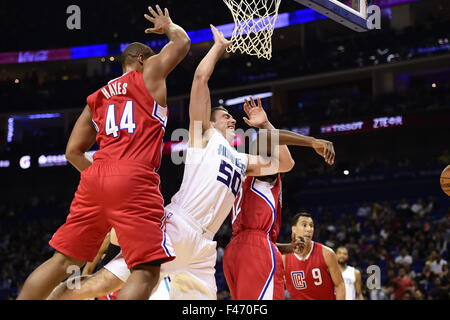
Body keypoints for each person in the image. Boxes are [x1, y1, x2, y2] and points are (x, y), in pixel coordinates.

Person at [47, 25, 335, 300]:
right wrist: (218, 48)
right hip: (177, 228)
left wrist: (267, 125)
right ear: (210, 122)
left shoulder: (241, 159)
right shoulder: (202, 137)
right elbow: (200, 79)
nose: (232, 119)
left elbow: (284, 164)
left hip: (204, 247)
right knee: (96, 286)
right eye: (225, 116)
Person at [17, 5, 190, 300]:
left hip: (95, 176)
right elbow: (183, 43)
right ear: (140, 59)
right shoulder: (148, 73)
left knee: (63, 262)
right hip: (134, 175)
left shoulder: (96, 98)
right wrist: (170, 26)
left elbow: (73, 152)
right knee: (146, 269)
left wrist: (103, 178)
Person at [283, 213, 345, 300]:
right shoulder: (284, 258)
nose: (309, 229)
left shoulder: (327, 253)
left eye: (311, 226)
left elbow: (340, 285)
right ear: (294, 229)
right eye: (304, 225)